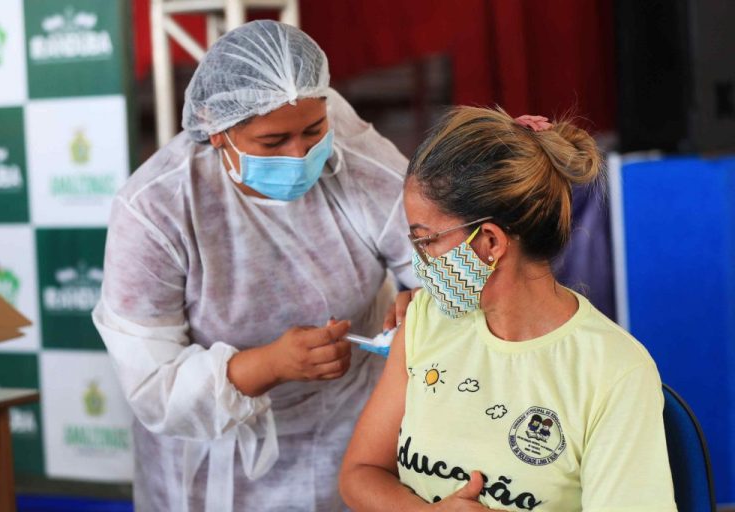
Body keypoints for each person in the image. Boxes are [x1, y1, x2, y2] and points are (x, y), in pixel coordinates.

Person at [92, 20, 419, 511]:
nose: (300, 154)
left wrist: (423, 301)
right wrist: (269, 365)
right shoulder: (157, 208)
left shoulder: (356, 160)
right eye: (272, 143)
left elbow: (433, 257)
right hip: (211, 458)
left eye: (313, 131)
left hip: (350, 431)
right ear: (216, 129)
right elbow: (152, 383)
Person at [339, 107, 677, 511]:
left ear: (490, 244)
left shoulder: (612, 371)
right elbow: (359, 473)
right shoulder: (425, 321)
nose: (419, 260)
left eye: (426, 241)